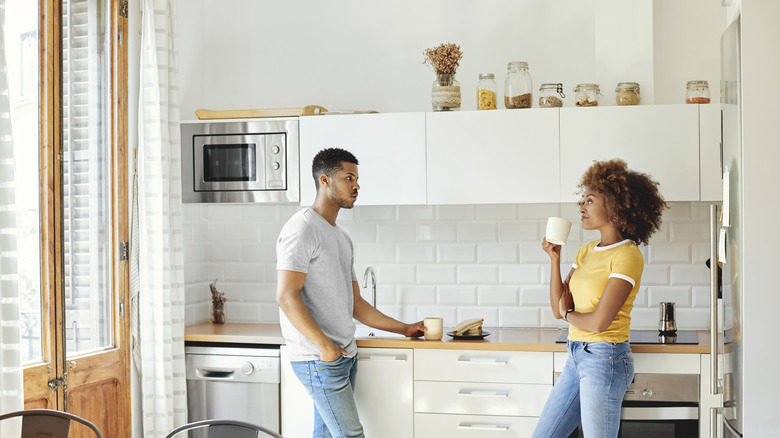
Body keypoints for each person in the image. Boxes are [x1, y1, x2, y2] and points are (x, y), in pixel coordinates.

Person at [276, 147, 425, 438]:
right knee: (351, 435)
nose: (356, 186)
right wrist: (326, 347)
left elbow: (356, 303)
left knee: (329, 435)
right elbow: (285, 296)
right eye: (348, 178)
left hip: (342, 354)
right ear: (325, 181)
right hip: (319, 358)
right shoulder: (302, 229)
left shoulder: (340, 237)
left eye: (356, 179)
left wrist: (404, 328)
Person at [533, 159, 667, 438]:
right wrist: (554, 260)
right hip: (576, 356)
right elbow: (557, 308)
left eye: (590, 200)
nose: (582, 207)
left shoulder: (627, 255)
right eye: (583, 200)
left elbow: (598, 323)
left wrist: (569, 314)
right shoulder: (585, 251)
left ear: (616, 206)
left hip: (604, 359)